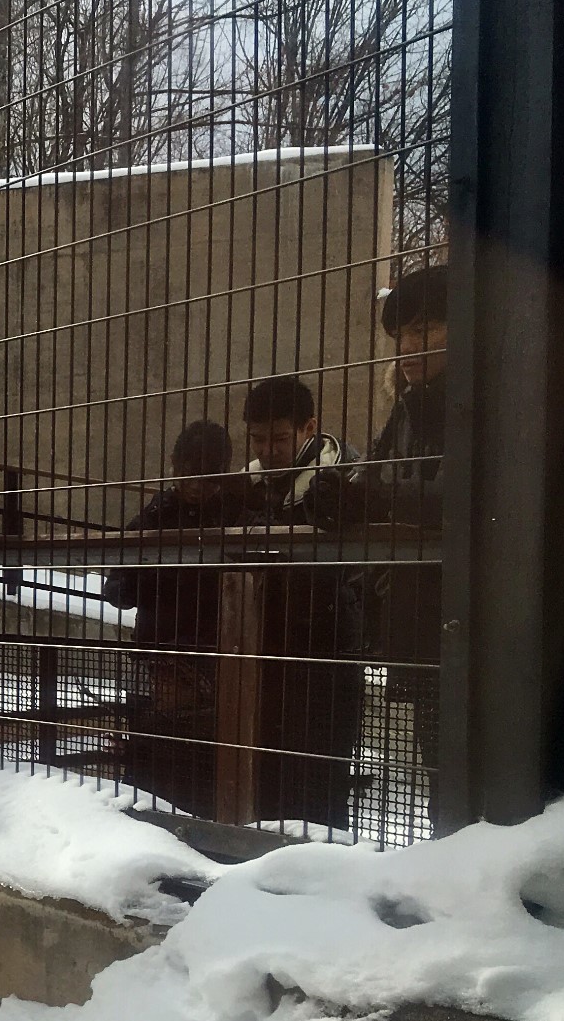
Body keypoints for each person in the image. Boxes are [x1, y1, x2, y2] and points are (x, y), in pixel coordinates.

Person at [232, 375, 366, 831]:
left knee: (320, 779)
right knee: (268, 776)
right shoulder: (249, 484)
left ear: (309, 427)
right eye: (258, 439)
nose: (267, 450)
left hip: (327, 648)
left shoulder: (345, 477)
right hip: (266, 648)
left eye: (280, 438)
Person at [103, 420, 241, 815]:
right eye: (189, 475)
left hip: (209, 655)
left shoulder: (235, 512)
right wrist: (131, 584)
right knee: (152, 754)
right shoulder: (158, 512)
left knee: (199, 760)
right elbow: (118, 582)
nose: (198, 485)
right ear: (175, 467)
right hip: (160, 653)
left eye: (208, 476)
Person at [365, 265, 447, 773]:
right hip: (421, 617)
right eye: (401, 336)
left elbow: (467, 499)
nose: (407, 349)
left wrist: (384, 499)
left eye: (422, 330)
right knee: (439, 768)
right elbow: (374, 481)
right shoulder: (409, 407)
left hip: (472, 621)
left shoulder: (491, 400)